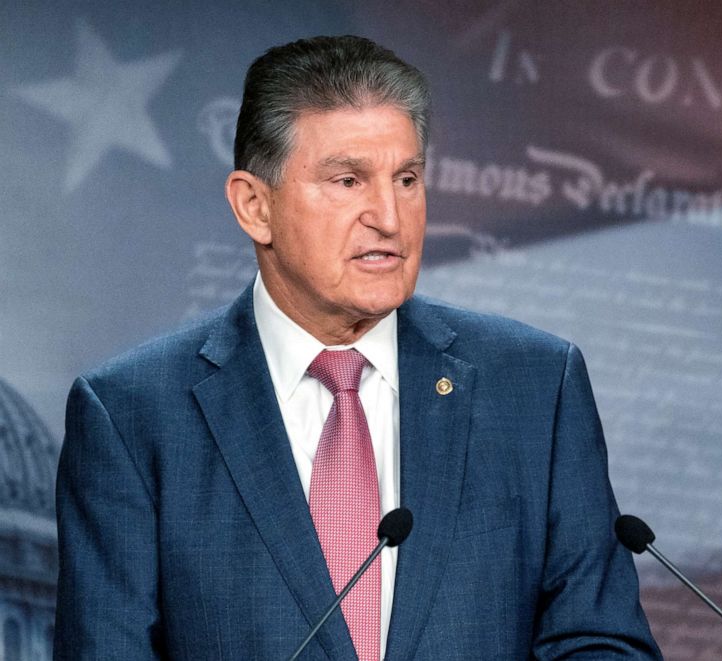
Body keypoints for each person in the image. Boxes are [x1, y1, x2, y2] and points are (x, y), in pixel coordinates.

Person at [54, 35, 662, 660]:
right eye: (348, 180)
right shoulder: (132, 415)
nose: (390, 217)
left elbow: (599, 642)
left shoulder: (535, 386)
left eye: (406, 178)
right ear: (254, 206)